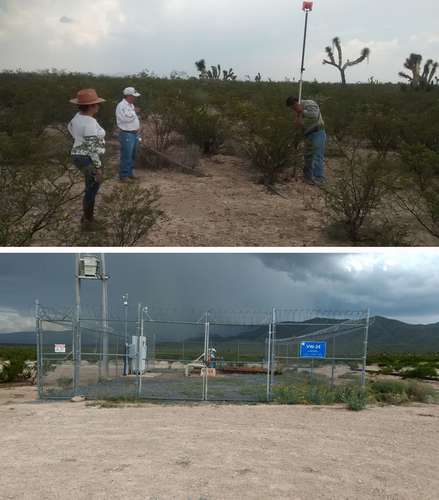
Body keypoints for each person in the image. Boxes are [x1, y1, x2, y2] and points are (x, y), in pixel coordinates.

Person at [68, 88, 106, 230]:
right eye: (96, 104)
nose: (98, 106)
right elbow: (91, 147)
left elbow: (70, 128)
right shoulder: (89, 122)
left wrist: (79, 141)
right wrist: (98, 167)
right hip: (87, 157)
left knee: (90, 186)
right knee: (92, 187)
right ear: (91, 106)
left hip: (78, 155)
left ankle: (87, 218)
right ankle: (88, 221)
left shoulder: (77, 117)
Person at [286, 96, 327, 185]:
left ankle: (319, 178)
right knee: (308, 156)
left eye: (293, 107)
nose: (293, 109)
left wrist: (302, 111)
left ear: (296, 102)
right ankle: (307, 176)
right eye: (292, 108)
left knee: (317, 155)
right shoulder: (297, 112)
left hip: (318, 132)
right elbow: (300, 126)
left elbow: (314, 115)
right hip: (308, 135)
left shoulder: (309, 103)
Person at [116, 86, 142, 182]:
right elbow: (125, 119)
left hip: (134, 133)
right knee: (126, 155)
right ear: (129, 96)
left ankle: (130, 173)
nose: (135, 98)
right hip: (127, 134)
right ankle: (124, 175)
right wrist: (134, 112)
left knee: (132, 155)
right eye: (134, 96)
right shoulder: (121, 106)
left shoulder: (131, 105)